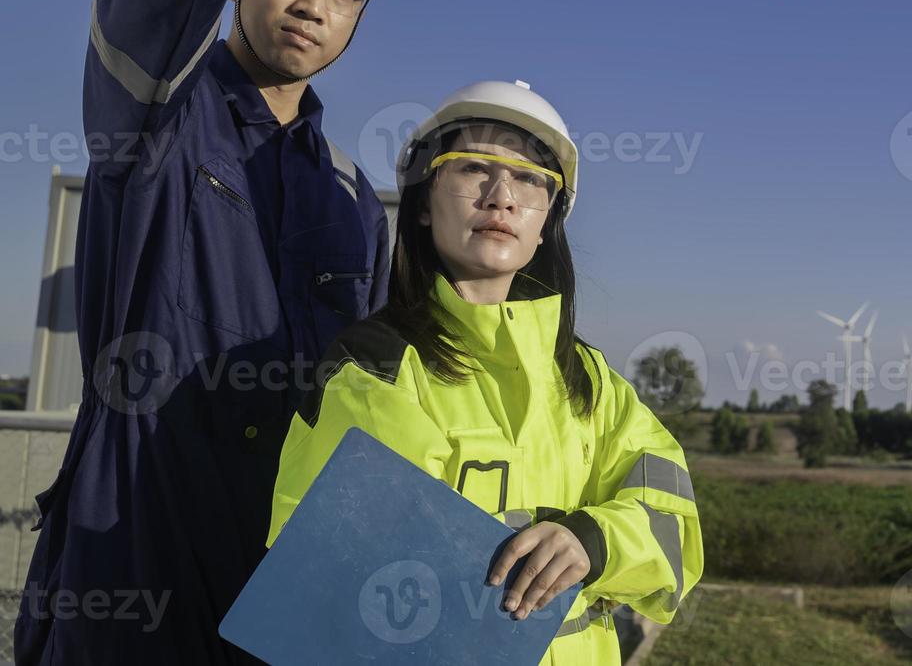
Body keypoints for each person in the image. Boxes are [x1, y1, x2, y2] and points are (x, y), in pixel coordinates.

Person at [16, 0, 401, 665]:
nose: (313, 1)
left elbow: (377, 415)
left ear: (361, 12)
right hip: (133, 563)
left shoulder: (355, 201)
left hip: (280, 592)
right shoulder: (156, 117)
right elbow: (150, 0)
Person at [266, 81, 703, 663]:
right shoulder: (376, 368)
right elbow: (335, 579)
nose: (502, 196)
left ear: (548, 219)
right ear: (423, 203)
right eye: (473, 168)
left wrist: (594, 541)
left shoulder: (592, 380)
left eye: (529, 179)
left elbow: (674, 527)